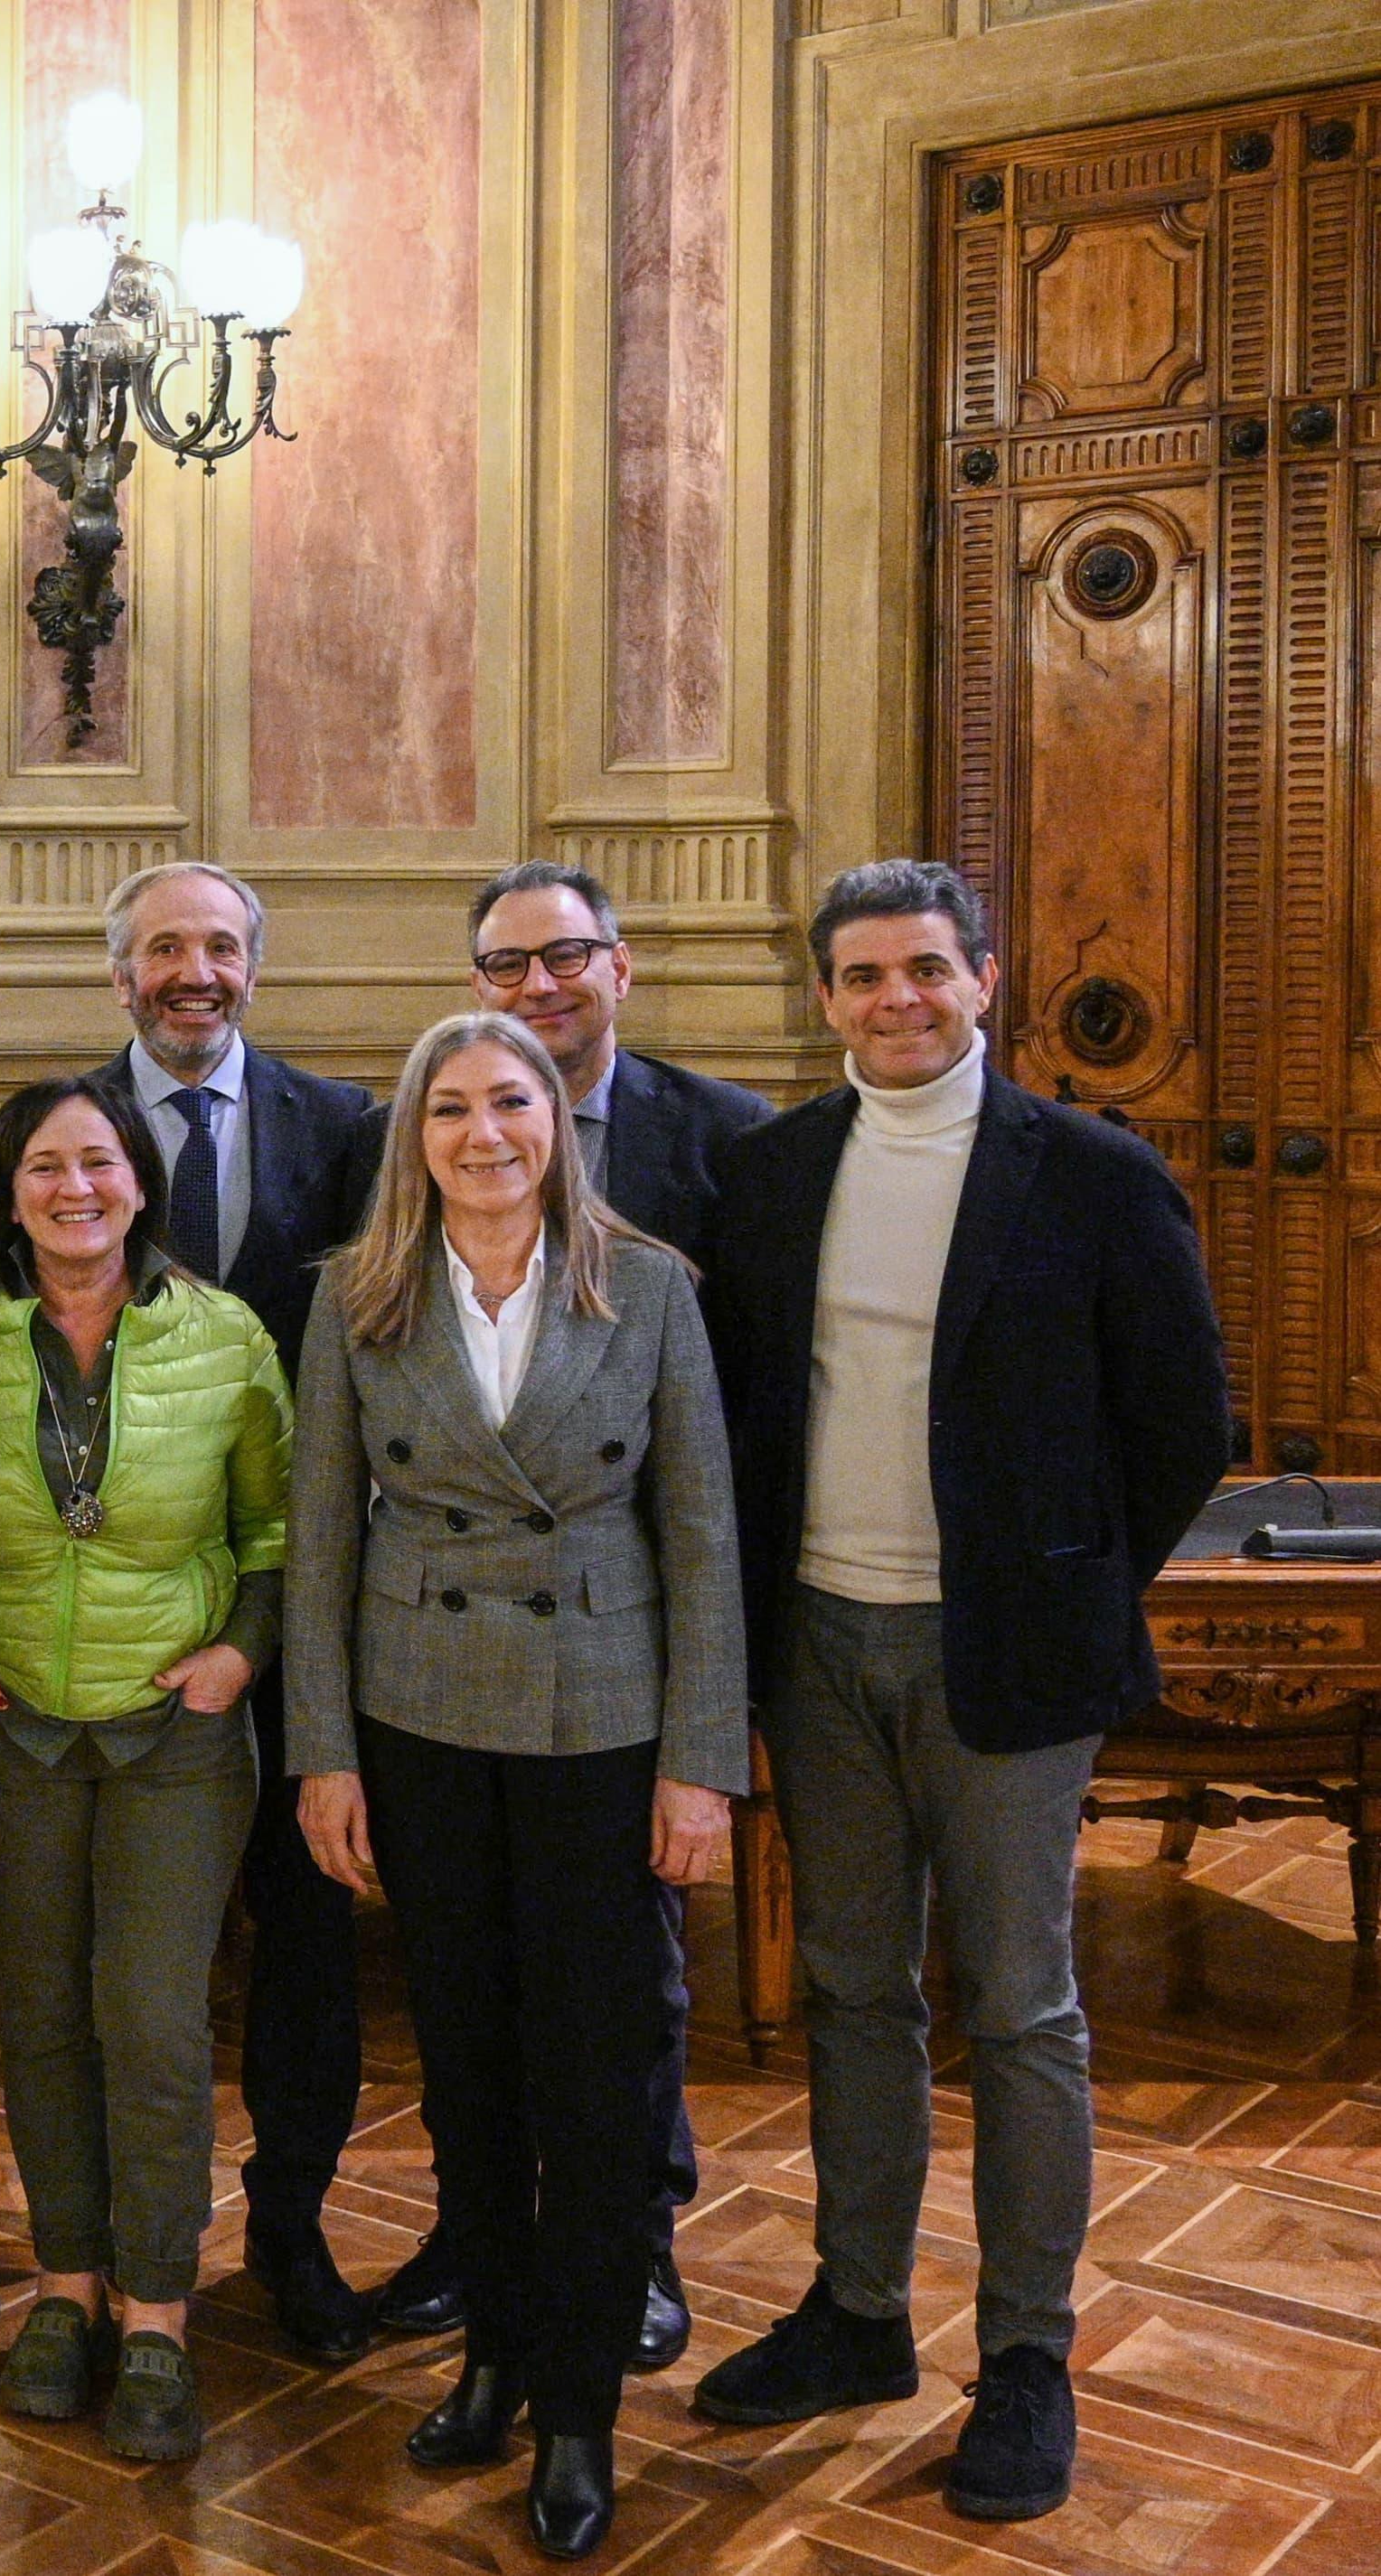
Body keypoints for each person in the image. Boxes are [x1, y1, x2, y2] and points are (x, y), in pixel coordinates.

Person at [694, 861, 1229, 2524]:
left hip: (1005, 1656)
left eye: (924, 969)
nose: (895, 1001)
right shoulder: (771, 1173)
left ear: (982, 976)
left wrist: (1063, 1575)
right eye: (860, 977)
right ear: (826, 997)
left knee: (1016, 2006)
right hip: (821, 1642)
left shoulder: (1088, 1172)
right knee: (850, 1991)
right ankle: (859, 2312)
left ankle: (1023, 2357)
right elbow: (737, 1406)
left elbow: (1181, 1425)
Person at [288, 1011, 744, 2561]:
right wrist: (324, 1752)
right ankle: (486, 2351)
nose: (482, 1134)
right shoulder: (355, 1300)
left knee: (594, 2078)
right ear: (412, 1137)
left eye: (510, 1104)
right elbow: (321, 1548)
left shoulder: (650, 1288)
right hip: (417, 1719)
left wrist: (699, 1762)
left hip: (600, 1722)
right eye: (449, 1110)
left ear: (554, 1121)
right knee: (466, 2063)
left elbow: (700, 1539)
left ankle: (576, 2413)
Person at [0, 1075, 291, 2466]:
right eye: (43, 1167)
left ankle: (155, 2312)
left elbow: (273, 1529)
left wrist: (236, 1657)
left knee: (151, 2022)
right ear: (4, 1195)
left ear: (138, 1179)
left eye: (98, 1161)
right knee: (44, 2018)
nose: (74, 1187)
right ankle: (62, 2287)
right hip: (1, 1728)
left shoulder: (225, 1334)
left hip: (174, 1732)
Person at [465, 857, 775, 2370]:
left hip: (635, 1635)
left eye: (564, 957)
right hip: (464, 1644)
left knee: (623, 1978)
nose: (539, 985)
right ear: (476, 989)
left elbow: (762, 1406)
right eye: (509, 964)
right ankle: (482, 2247)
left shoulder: (728, 1145)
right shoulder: (429, 1143)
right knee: (482, 1978)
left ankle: (633, 2244)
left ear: (619, 966)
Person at [95, 859, 384, 2357]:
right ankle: (98, 2249)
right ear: (120, 973)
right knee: (119, 1957)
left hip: (299, 1593)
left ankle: (288, 2225)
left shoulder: (346, 1131)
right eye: (162, 948)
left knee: (303, 1932)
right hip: (111, 1605)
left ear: (254, 966)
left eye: (218, 945)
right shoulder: (62, 1135)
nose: (191, 971)